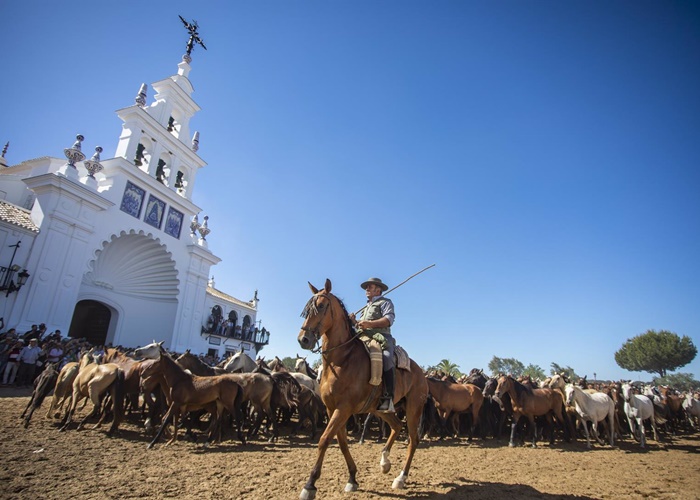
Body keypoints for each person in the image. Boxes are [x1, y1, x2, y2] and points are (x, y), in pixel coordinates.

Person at [349, 277, 396, 413]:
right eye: (366, 287)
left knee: (386, 358)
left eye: (370, 286)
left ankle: (387, 398)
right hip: (364, 337)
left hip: (382, 337)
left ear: (378, 289)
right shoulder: (366, 307)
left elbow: (389, 320)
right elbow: (361, 326)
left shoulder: (386, 302)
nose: (367, 289)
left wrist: (369, 324)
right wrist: (354, 322)